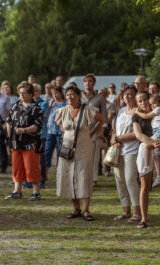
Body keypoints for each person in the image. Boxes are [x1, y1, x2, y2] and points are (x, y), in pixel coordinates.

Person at [56, 86, 105, 221]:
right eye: (67, 95)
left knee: (83, 175)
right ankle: (76, 208)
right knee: (69, 175)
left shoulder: (87, 110)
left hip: (84, 147)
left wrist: (91, 133)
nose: (70, 97)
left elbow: (102, 120)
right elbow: (60, 125)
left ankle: (86, 209)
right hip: (67, 148)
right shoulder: (62, 111)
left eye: (72, 94)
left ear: (78, 96)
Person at [133, 91, 160, 228]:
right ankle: (144, 219)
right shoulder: (136, 117)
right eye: (140, 101)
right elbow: (139, 135)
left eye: (145, 99)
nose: (143, 103)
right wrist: (153, 143)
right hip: (147, 149)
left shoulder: (158, 111)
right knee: (145, 186)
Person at [5, 82, 44, 201]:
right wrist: (9, 134)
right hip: (16, 142)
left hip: (30, 142)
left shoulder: (36, 108)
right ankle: (17, 191)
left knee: (31, 167)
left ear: (31, 94)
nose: (21, 95)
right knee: (17, 166)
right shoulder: (16, 105)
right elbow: (9, 120)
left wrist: (24, 130)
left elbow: (37, 125)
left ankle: (36, 191)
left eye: (24, 93)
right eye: (20, 93)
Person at [111, 85, 141, 223]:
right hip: (118, 151)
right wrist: (113, 139)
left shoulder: (138, 112)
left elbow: (137, 134)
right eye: (125, 94)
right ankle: (126, 210)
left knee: (130, 180)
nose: (127, 96)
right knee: (120, 180)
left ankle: (137, 211)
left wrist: (119, 139)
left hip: (132, 151)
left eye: (130, 94)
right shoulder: (121, 111)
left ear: (135, 96)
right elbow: (115, 130)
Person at [135, 94, 160, 187]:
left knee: (146, 146)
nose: (152, 105)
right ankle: (159, 175)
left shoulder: (159, 109)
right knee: (155, 154)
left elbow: (146, 116)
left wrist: (137, 112)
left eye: (154, 103)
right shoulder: (159, 110)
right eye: (151, 104)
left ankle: (146, 167)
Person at [81, 74, 108, 186]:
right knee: (82, 156)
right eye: (86, 81)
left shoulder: (100, 98)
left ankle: (93, 179)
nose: (88, 83)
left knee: (94, 156)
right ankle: (83, 178)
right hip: (81, 131)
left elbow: (104, 116)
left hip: (95, 131)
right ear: (83, 83)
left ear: (94, 83)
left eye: (90, 81)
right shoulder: (79, 96)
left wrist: (102, 132)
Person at [43, 86, 66, 186]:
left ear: (61, 93)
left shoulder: (65, 104)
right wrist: (49, 106)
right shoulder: (50, 104)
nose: (55, 95)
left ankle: (59, 177)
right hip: (50, 132)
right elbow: (45, 116)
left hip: (60, 133)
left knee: (59, 155)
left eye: (56, 93)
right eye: (53, 93)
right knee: (47, 153)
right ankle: (44, 176)